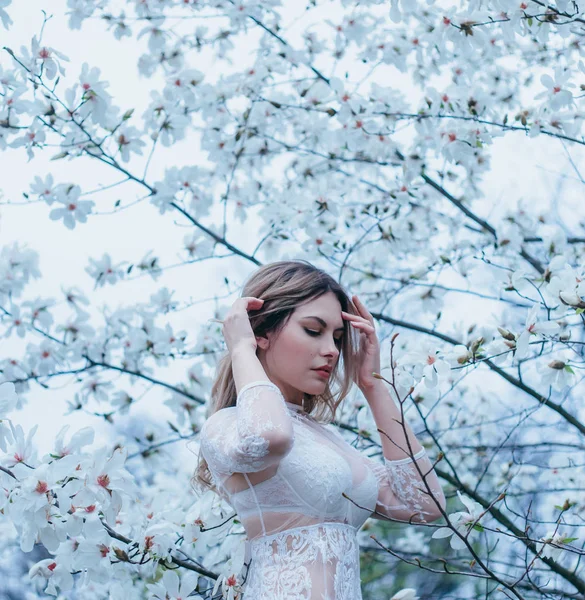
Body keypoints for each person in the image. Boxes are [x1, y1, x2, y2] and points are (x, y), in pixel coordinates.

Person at [196, 260, 446, 599]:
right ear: (261, 333)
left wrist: (373, 385)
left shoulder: (329, 441)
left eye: (339, 338)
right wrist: (241, 349)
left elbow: (425, 506)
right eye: (314, 330)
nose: (331, 350)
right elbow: (269, 436)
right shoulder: (227, 425)